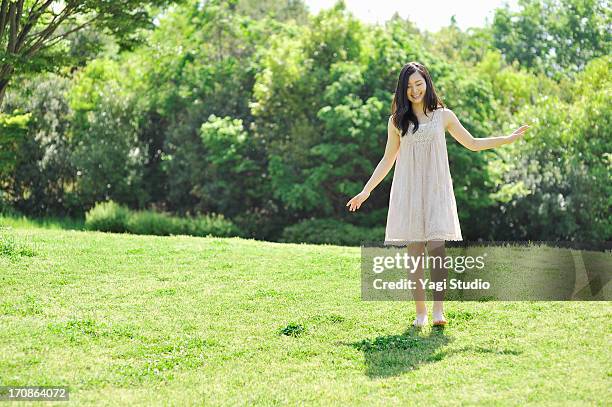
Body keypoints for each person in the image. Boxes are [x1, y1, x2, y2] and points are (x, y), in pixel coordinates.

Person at [345, 61, 530, 328]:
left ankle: (438, 311)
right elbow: (387, 159)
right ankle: (420, 313)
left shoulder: (444, 116)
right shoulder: (397, 122)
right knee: (415, 254)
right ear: (403, 90)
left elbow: (473, 143)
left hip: (435, 189)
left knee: (437, 250)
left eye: (419, 84)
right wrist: (366, 191)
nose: (415, 90)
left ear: (427, 83)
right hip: (409, 191)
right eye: (409, 86)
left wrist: (506, 139)